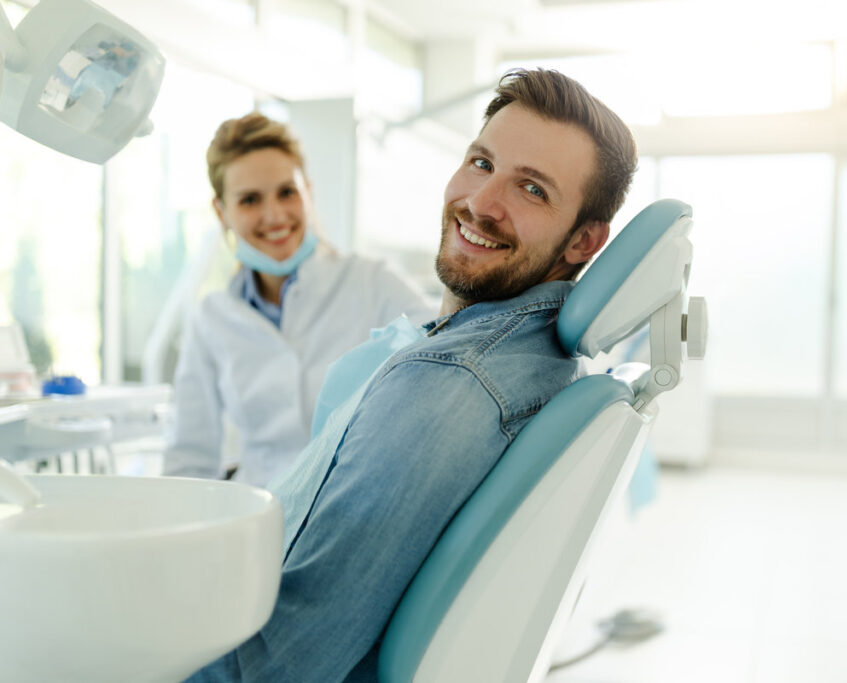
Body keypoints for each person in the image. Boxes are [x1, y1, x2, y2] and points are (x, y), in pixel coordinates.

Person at [186, 67, 638, 682]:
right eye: (481, 163)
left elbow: (277, 662)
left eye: (532, 189)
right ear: (222, 212)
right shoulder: (514, 357)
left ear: (585, 240)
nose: (482, 203)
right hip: (256, 545)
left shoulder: (451, 377)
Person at [163, 112, 432, 487]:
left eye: (286, 192)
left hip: (354, 500)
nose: (274, 215)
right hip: (257, 516)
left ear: (309, 191)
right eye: (250, 200)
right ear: (221, 212)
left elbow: (447, 348)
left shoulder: (373, 282)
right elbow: (189, 459)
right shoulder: (211, 319)